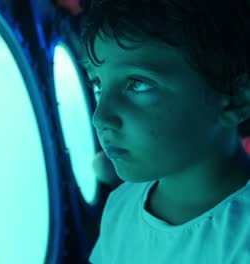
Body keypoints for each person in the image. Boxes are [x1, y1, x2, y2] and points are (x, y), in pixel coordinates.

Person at [79, 0, 250, 263]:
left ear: (235, 98)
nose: (100, 117)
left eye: (138, 84)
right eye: (98, 85)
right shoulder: (120, 204)